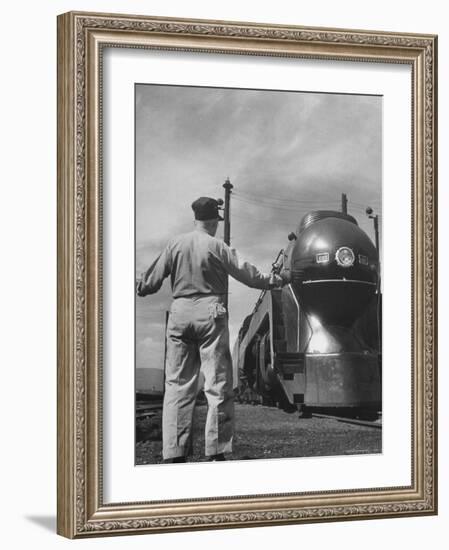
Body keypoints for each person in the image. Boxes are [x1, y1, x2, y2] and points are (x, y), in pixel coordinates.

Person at [136, 196, 284, 463]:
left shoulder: (175, 244)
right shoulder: (218, 246)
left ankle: (174, 452)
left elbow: (151, 281)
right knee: (217, 384)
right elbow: (248, 274)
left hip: (180, 311)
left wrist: (142, 285)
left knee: (178, 384)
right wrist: (274, 280)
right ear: (215, 220)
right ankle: (216, 450)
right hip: (212, 311)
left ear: (195, 219)